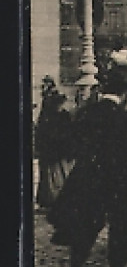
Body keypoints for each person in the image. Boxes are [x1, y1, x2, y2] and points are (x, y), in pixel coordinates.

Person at [47, 68, 127, 267]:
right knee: (120, 225)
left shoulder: (88, 112)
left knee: (86, 225)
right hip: (118, 180)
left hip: (90, 176)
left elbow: (72, 141)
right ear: (125, 94)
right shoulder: (124, 117)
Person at [34, 78, 74, 210]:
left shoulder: (56, 113)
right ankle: (52, 198)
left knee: (55, 175)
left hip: (56, 147)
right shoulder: (50, 111)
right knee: (53, 175)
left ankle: (54, 198)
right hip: (53, 147)